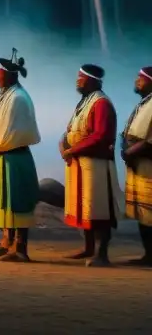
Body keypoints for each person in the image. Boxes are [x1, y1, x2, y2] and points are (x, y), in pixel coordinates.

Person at [0, 49, 41, 262]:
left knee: (17, 202)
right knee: (4, 202)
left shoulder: (18, 99)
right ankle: (6, 242)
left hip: (14, 157)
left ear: (11, 75)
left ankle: (20, 248)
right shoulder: (6, 95)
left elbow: (9, 132)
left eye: (0, 74)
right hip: (1, 156)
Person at [61, 64, 122, 266]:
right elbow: (72, 128)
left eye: (81, 77)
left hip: (95, 166)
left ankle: (101, 253)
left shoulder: (101, 103)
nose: (77, 80)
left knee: (98, 209)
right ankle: (88, 248)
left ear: (93, 81)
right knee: (84, 208)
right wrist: (64, 144)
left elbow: (101, 136)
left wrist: (73, 150)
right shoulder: (86, 101)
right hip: (81, 164)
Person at [121, 66, 152, 265]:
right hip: (137, 162)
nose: (136, 81)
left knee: (150, 211)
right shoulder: (144, 103)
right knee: (143, 211)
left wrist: (131, 151)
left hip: (148, 163)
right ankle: (148, 255)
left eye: (141, 78)